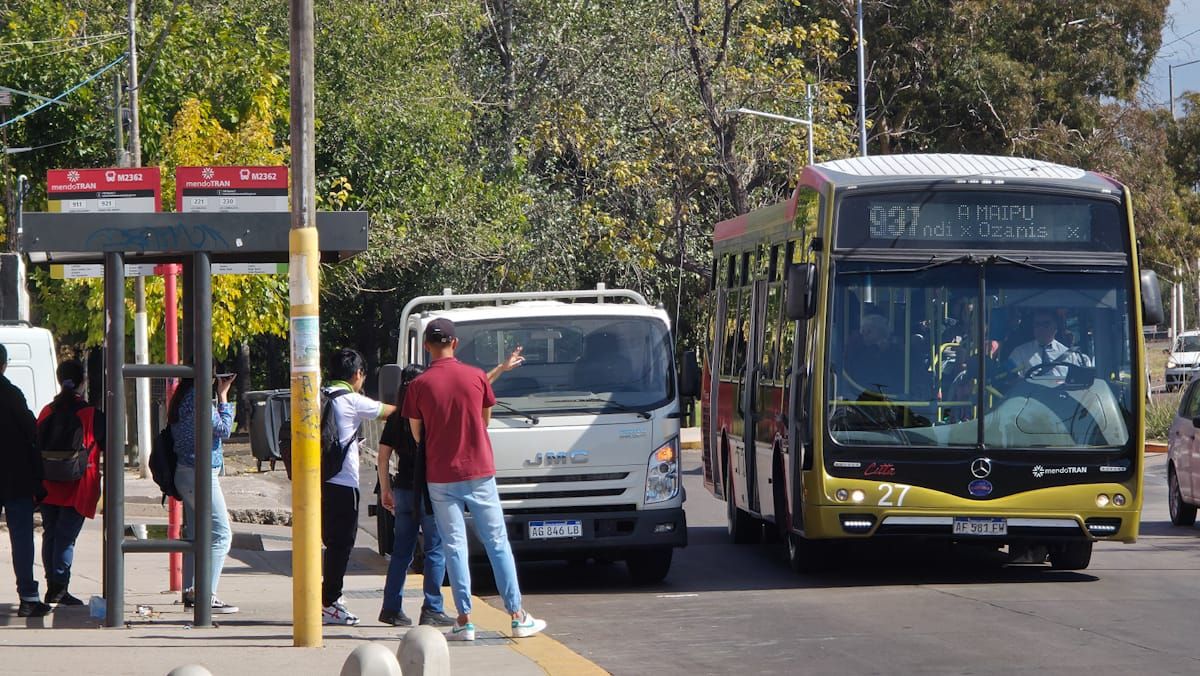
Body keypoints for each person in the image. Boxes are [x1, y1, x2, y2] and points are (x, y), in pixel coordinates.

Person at [403, 318, 546, 642]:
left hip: (440, 476)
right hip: (479, 472)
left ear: (427, 347)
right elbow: (484, 422)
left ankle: (465, 620)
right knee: (497, 544)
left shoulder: (419, 386)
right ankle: (517, 616)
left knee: (455, 547)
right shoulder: (476, 377)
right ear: (455, 343)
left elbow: (416, 433)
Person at [322, 348, 396, 626]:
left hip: (318, 480)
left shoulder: (319, 394)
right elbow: (388, 412)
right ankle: (329, 602)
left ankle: (330, 596)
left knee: (332, 542)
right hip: (343, 482)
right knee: (341, 544)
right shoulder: (351, 400)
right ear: (356, 374)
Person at [377, 364, 452, 627]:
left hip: (403, 492)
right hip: (428, 492)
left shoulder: (396, 417)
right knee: (434, 550)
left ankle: (391, 607)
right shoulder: (426, 415)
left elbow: (383, 456)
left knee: (401, 553)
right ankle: (432, 607)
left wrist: (386, 489)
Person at [169, 372, 239, 614]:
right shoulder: (199, 398)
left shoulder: (181, 397)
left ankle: (191, 592)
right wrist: (223, 396)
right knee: (221, 535)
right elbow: (223, 429)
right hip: (201, 474)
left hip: (185, 472)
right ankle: (205, 595)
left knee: (197, 536)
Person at [36, 360, 104, 607]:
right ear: (82, 382)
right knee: (66, 538)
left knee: (51, 534)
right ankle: (60, 589)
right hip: (78, 484)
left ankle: (52, 586)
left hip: (48, 483)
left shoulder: (47, 411)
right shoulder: (90, 414)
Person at [0, 344, 50, 617]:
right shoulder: (12, 395)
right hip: (15, 478)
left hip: (13, 476)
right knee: (21, 537)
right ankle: (29, 597)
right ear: (4, 364)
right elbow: (32, 430)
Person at [1007, 309, 1092, 379]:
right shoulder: (1019, 353)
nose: (1041, 328)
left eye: (1046, 324)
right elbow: (1012, 381)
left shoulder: (1070, 356)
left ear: (1055, 326)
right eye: (1037, 324)